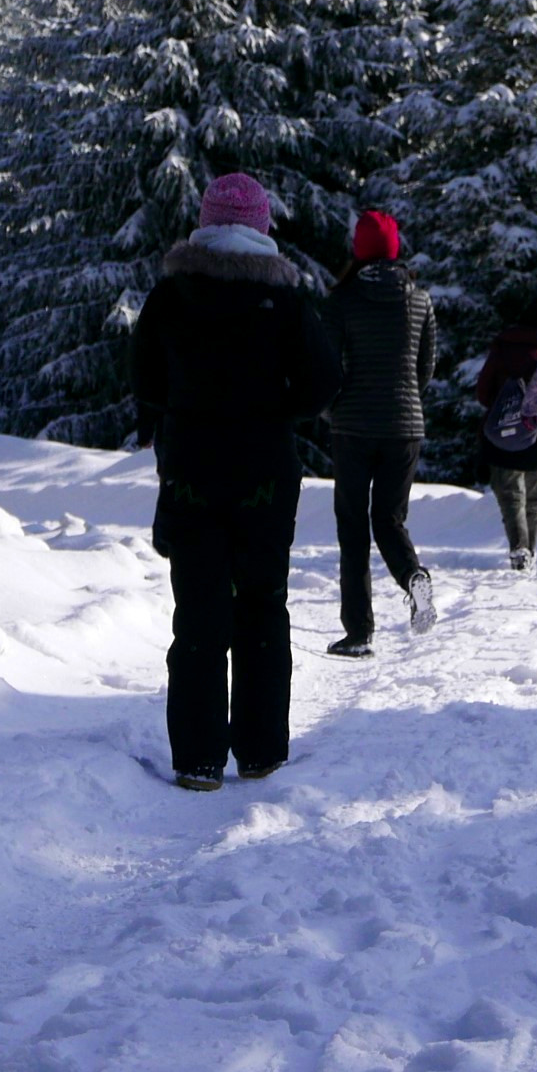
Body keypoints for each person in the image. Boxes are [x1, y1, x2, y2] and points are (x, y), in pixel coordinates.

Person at [130, 173, 344, 791]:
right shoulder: (286, 300)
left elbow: (143, 377)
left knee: (197, 615)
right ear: (261, 227)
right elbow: (323, 384)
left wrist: (181, 405)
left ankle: (197, 759)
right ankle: (260, 751)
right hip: (265, 476)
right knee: (261, 608)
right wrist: (275, 405)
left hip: (192, 470)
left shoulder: (171, 294)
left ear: (205, 221)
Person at [325, 208, 438, 656]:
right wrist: (404, 400)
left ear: (358, 249)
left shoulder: (342, 300)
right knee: (389, 520)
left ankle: (359, 633)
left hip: (353, 426)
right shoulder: (420, 299)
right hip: (405, 427)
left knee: (353, 528)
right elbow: (425, 368)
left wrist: (334, 408)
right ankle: (414, 579)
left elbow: (330, 368)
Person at [475, 296, 537, 573]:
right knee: (535, 500)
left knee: (511, 496)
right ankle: (529, 552)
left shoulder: (503, 347)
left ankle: (519, 549)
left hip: (505, 433)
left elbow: (483, 392)